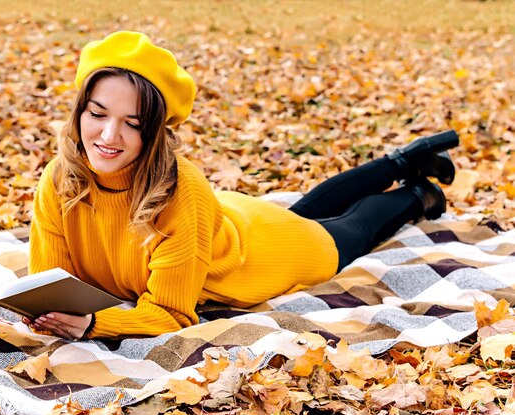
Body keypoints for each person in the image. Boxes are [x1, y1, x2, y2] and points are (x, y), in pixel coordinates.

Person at [25, 31, 459, 340]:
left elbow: (172, 315)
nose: (106, 136)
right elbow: (46, 283)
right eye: (97, 114)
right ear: (80, 110)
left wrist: (95, 325)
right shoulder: (59, 178)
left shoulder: (179, 191)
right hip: (228, 219)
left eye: (132, 124)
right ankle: (404, 160)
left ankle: (418, 192)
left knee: (346, 231)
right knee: (306, 210)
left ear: (156, 132)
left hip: (261, 254)